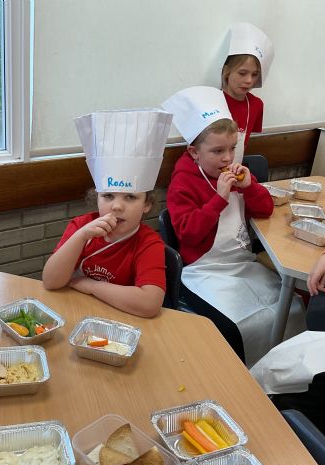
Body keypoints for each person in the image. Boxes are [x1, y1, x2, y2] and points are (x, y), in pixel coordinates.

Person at [162, 86, 306, 366]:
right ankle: (241, 374)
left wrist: (250, 187)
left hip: (241, 263)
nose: (228, 158)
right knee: (236, 325)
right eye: (217, 151)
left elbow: (264, 210)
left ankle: (278, 371)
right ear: (194, 152)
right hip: (203, 270)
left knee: (291, 305)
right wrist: (218, 199)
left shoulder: (233, 172)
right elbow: (188, 234)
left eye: (232, 148)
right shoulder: (182, 184)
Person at [42, 109, 172, 318]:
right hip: (75, 311)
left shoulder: (148, 243)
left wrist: (91, 286)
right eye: (108, 196)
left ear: (147, 204)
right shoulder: (81, 226)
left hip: (121, 320)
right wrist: (81, 236)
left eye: (130, 197)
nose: (117, 206)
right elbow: (50, 281)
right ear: (97, 198)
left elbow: (150, 304)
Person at [221, 23, 274, 164]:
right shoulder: (212, 100)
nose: (249, 80)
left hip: (235, 169)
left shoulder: (256, 105)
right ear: (226, 71)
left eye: (254, 74)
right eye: (242, 73)